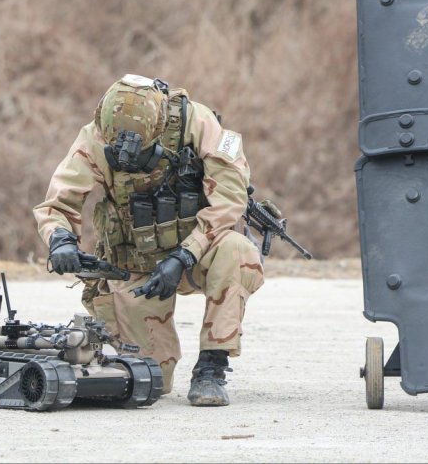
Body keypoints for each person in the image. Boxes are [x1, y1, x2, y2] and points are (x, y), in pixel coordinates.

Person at [34, 74, 264, 406]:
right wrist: (61, 240)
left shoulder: (197, 124)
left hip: (196, 254)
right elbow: (57, 203)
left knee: (237, 251)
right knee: (150, 380)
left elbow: (229, 200)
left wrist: (184, 256)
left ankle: (212, 367)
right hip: (137, 266)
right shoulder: (94, 138)